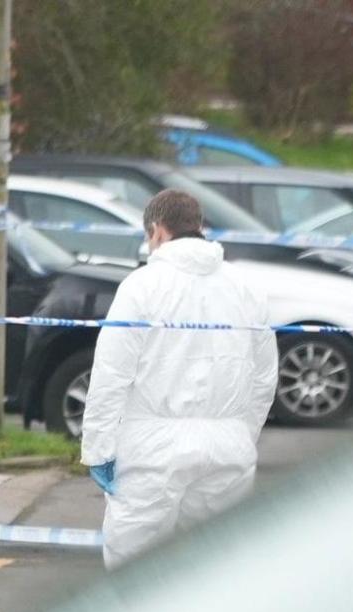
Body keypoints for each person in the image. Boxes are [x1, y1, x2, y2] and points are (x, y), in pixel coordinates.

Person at [82, 189, 276, 570]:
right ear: (199, 227)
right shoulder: (245, 287)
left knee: (133, 570)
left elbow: (111, 374)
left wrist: (98, 449)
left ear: (156, 231)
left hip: (153, 447)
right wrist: (240, 433)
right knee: (215, 571)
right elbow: (265, 375)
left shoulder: (142, 286)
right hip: (227, 446)